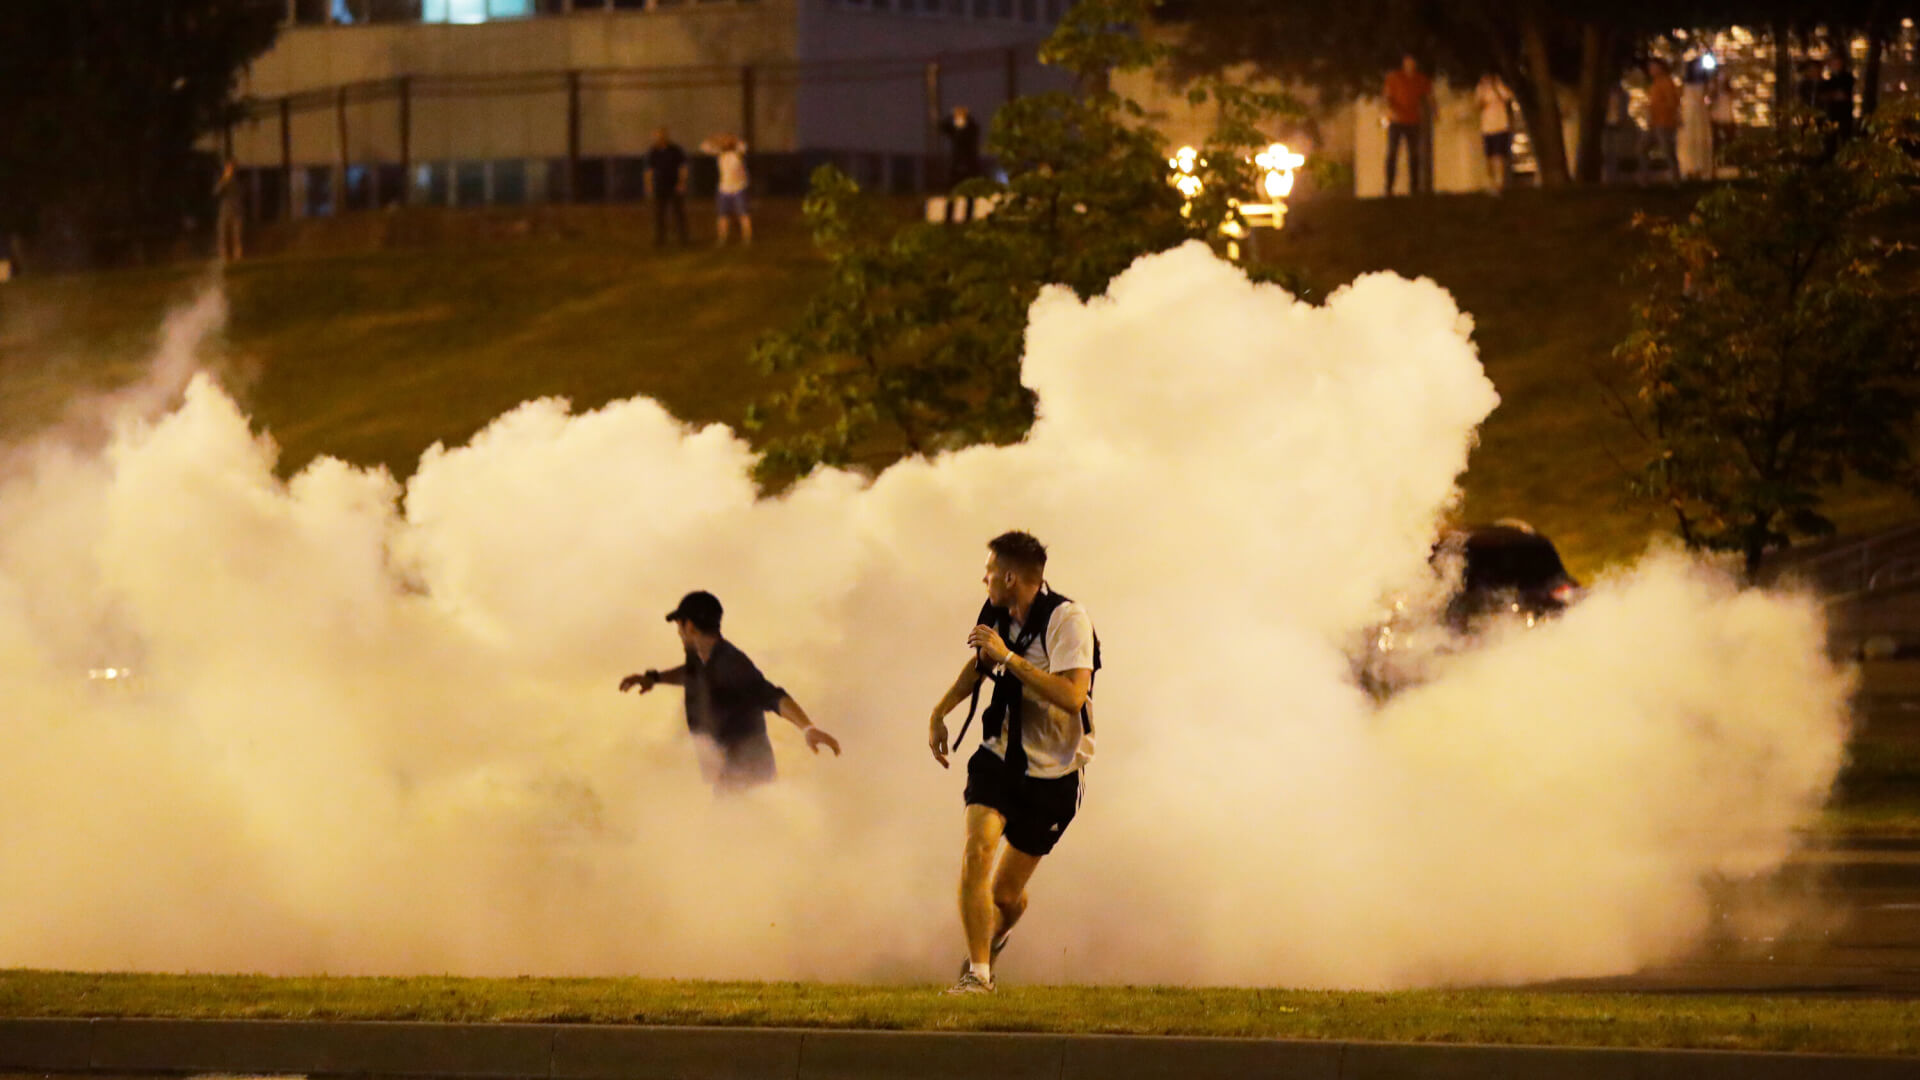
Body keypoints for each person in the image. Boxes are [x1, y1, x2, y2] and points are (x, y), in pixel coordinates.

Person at [927, 531, 1098, 995]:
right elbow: (982, 664)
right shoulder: (996, 612)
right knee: (977, 849)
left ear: (1009, 576)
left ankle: (997, 936)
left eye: (989, 572)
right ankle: (978, 976)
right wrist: (941, 710)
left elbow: (1071, 695)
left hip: (1054, 773)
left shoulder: (1067, 619)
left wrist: (1011, 659)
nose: (982, 579)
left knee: (1005, 895)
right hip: (999, 755)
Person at [620, 590, 840, 793]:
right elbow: (692, 676)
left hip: (748, 775)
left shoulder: (731, 663)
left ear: (690, 627)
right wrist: (654, 678)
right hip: (729, 774)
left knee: (731, 830)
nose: (678, 632)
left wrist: (807, 727)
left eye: (679, 625)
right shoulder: (705, 660)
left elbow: (771, 696)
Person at [1382, 54, 1432, 196]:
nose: (1410, 65)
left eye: (1412, 63)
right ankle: (1389, 186)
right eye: (1407, 63)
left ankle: (1414, 186)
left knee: (1414, 155)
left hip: (1413, 121)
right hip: (1397, 121)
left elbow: (1428, 95)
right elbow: (1387, 96)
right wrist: (1390, 110)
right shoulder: (1395, 77)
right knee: (1392, 153)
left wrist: (1433, 109)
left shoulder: (1420, 79)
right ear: (1404, 64)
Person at [700, 133, 752, 246]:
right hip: (724, 189)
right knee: (722, 216)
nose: (726, 142)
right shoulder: (721, 154)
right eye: (725, 141)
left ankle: (747, 239)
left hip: (739, 188)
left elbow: (743, 146)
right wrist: (715, 138)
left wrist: (734, 139)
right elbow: (704, 147)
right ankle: (722, 238)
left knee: (743, 215)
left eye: (729, 140)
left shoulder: (738, 153)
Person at [643, 127, 690, 247]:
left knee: (679, 213)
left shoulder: (675, 150)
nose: (659, 138)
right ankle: (660, 239)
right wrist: (649, 186)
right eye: (657, 136)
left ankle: (683, 238)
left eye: (661, 135)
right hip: (660, 186)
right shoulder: (653, 151)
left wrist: (682, 183)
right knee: (659, 214)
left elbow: (683, 168)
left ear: (666, 136)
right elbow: (649, 170)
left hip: (674, 185)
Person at [1641, 58, 1681, 185]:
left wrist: (1657, 107)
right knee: (1643, 148)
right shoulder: (1655, 83)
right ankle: (1644, 179)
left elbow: (1672, 103)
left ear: (1660, 68)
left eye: (1653, 67)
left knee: (1668, 151)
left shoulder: (1666, 83)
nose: (1651, 70)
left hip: (1664, 123)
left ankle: (1676, 178)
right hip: (1655, 122)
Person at [1474, 73, 1515, 193]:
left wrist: (1496, 87)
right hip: (1487, 128)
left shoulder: (1499, 86)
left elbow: (1508, 97)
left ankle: (1499, 183)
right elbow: (1477, 104)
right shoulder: (1480, 88)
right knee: (1489, 158)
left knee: (1499, 156)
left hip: (1500, 126)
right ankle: (1491, 182)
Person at [1602, 76, 1638, 183]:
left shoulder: (1623, 95)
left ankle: (1614, 175)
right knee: (1608, 151)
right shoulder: (1606, 95)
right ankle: (1609, 175)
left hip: (1617, 123)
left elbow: (1623, 109)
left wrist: (1621, 120)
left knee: (1615, 151)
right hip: (1608, 123)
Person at [938, 105, 984, 190]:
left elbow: (975, 126)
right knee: (952, 186)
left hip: (970, 162)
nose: (958, 119)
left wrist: (967, 116)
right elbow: (942, 126)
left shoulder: (971, 129)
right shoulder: (954, 131)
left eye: (961, 116)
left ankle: (970, 202)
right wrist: (951, 116)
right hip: (956, 161)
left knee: (970, 188)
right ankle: (951, 202)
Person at [1816, 53, 1857, 143]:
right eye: (1833, 63)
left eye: (1837, 63)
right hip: (1831, 114)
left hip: (1845, 115)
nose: (1835, 65)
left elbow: (1842, 95)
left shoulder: (1847, 77)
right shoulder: (1828, 80)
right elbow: (1822, 96)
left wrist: (1832, 95)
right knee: (1831, 140)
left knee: (1845, 139)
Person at [213, 157, 245, 264]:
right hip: (225, 212)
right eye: (228, 167)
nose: (229, 169)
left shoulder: (238, 180)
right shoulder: (223, 180)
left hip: (236, 211)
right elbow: (216, 192)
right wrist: (224, 179)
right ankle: (224, 256)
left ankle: (238, 256)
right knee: (223, 235)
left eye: (231, 167)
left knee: (237, 235)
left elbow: (241, 193)